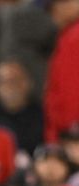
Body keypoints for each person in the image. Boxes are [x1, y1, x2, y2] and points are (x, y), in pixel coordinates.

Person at [44, 0, 79, 142]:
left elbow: (70, 90)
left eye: (56, 6)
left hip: (71, 133)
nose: (53, 14)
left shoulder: (74, 37)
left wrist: (71, 131)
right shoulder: (67, 35)